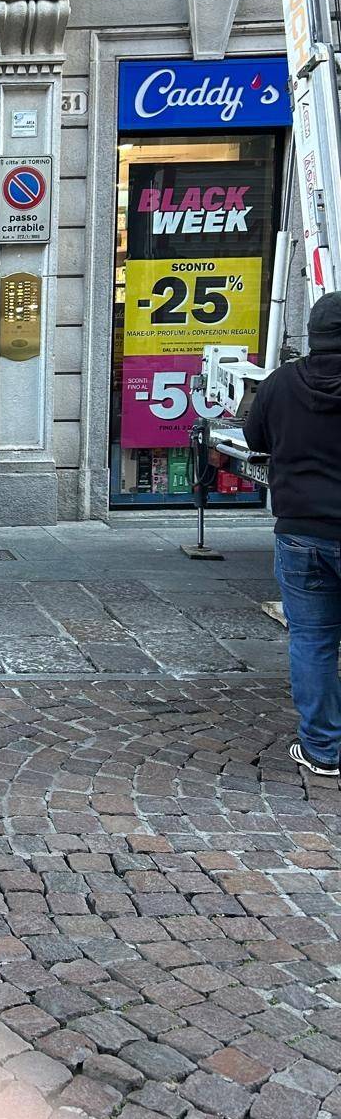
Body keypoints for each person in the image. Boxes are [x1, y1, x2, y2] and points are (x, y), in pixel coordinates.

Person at [243, 290, 341, 776]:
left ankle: (323, 748)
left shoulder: (281, 384)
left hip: (302, 529)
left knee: (313, 641)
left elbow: (253, 438)